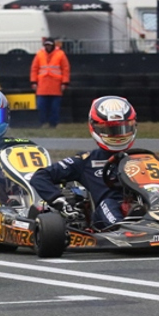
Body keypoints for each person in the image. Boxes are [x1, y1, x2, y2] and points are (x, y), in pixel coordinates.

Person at [30, 96, 138, 228]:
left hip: (142, 206)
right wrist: (59, 201)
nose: (118, 135)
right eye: (110, 130)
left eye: (123, 128)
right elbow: (40, 177)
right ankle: (123, 229)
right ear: (95, 127)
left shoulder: (142, 157)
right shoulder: (86, 161)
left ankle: (155, 223)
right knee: (108, 203)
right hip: (104, 216)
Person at [31, 37, 71, 129]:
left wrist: (64, 83)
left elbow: (65, 69)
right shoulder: (39, 54)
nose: (48, 47)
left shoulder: (60, 54)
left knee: (54, 108)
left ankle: (53, 124)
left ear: (53, 45)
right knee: (41, 106)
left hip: (56, 86)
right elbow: (34, 69)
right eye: (46, 45)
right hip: (42, 86)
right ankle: (42, 122)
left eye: (49, 45)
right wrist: (33, 82)